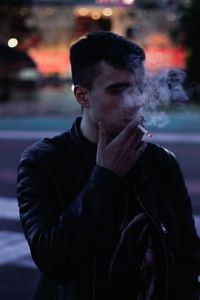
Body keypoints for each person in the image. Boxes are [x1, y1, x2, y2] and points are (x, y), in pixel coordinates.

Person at [17, 31, 200, 300]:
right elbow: (54, 261)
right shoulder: (42, 162)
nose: (135, 100)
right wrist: (104, 178)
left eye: (139, 88)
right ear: (83, 96)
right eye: (118, 89)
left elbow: (187, 257)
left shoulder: (161, 162)